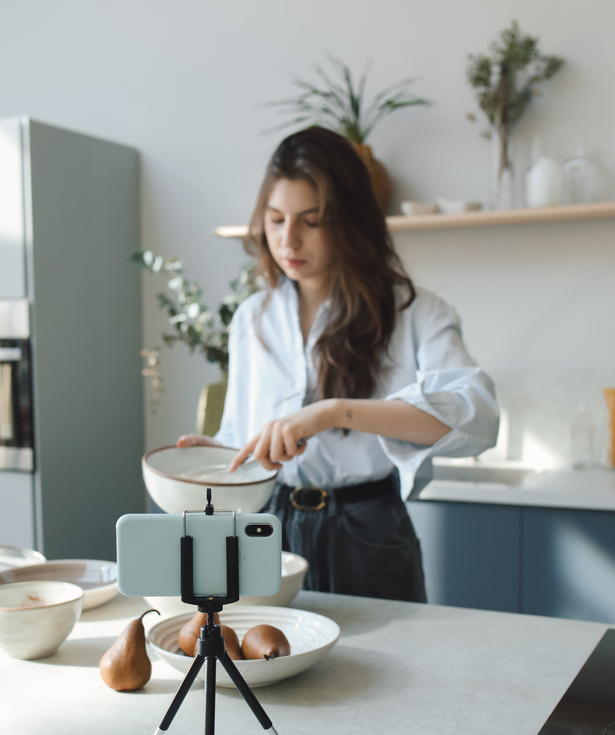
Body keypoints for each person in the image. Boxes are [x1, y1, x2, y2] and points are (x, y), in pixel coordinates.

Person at [178, 126, 499, 602]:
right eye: (276, 219)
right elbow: (245, 433)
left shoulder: (414, 313)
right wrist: (222, 453)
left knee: (392, 671)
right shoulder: (252, 318)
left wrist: (333, 411)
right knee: (270, 665)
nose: (289, 239)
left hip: (368, 530)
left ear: (349, 220)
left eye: (312, 220)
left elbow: (477, 417)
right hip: (270, 528)